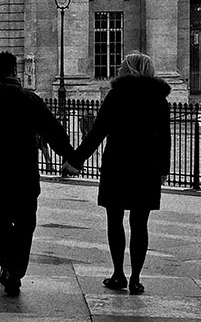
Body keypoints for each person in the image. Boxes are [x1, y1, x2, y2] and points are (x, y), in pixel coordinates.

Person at [0, 51, 81, 296]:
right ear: (15, 72)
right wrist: (72, 156)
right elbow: (54, 132)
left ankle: (8, 266)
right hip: (26, 172)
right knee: (25, 223)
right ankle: (15, 270)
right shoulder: (30, 100)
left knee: (1, 222)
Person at [70, 52, 172, 295]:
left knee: (114, 221)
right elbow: (165, 139)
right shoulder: (159, 99)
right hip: (147, 167)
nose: (118, 68)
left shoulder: (117, 94)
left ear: (130, 70)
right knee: (140, 224)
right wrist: (163, 169)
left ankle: (118, 273)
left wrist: (76, 159)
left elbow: (98, 132)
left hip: (118, 163)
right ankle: (136, 278)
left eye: (123, 66)